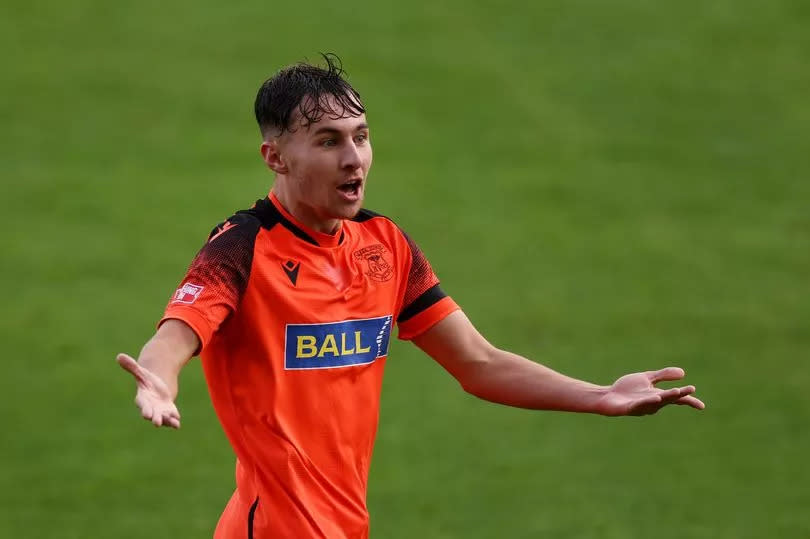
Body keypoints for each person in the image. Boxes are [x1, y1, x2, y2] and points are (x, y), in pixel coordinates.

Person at [118, 53, 704, 539]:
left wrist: (601, 395)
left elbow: (478, 363)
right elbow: (177, 335)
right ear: (276, 157)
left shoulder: (385, 245)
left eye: (361, 137)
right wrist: (159, 379)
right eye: (328, 141)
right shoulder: (241, 248)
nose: (353, 159)